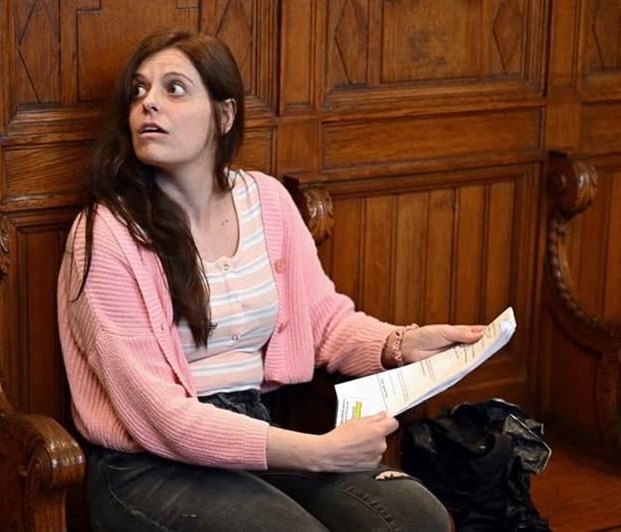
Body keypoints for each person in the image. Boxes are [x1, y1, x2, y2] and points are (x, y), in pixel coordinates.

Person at [57, 27, 484, 531]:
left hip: (252, 428)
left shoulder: (267, 201)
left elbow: (323, 323)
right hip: (146, 465)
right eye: (139, 90)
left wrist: (401, 345)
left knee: (415, 518)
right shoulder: (105, 234)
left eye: (174, 88)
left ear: (224, 115)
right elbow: (161, 417)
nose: (148, 103)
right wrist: (319, 452)